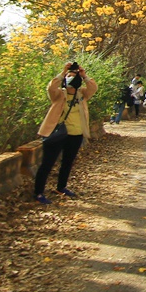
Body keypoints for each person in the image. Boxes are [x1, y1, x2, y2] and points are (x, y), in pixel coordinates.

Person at [35, 62, 97, 204]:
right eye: (69, 76)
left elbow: (93, 87)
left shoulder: (82, 94)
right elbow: (51, 87)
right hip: (57, 134)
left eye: (74, 77)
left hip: (76, 134)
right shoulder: (59, 94)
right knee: (47, 164)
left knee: (67, 162)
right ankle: (38, 193)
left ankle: (61, 187)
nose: (71, 78)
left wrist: (84, 75)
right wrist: (63, 72)